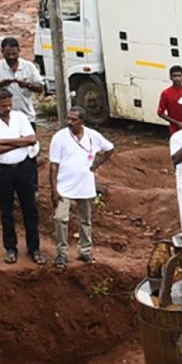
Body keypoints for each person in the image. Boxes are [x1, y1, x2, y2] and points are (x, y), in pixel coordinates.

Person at [45, 108, 114, 266]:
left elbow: (110, 148)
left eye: (74, 119)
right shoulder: (60, 137)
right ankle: (62, 253)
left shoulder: (93, 136)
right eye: (68, 118)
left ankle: (85, 251)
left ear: (82, 121)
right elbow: (53, 166)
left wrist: (96, 164)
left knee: (85, 220)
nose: (70, 122)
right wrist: (53, 190)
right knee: (61, 218)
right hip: (64, 186)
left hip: (85, 185)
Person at [0, 90, 42, 264]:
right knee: (7, 210)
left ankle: (34, 248)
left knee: (30, 208)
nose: (7, 108)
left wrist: (4, 142)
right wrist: (18, 142)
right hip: (3, 170)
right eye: (3, 106)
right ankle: (10, 248)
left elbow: (31, 139)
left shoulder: (20, 117)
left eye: (9, 104)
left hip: (24, 167)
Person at [0, 35, 49, 123]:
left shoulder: (28, 66)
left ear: (19, 51)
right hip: (2, 119)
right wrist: (0, 85)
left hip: (26, 117)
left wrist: (27, 85)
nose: (11, 57)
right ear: (2, 52)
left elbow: (40, 88)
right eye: (8, 54)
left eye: (14, 54)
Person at [157, 65, 182, 133]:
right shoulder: (166, 93)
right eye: (174, 76)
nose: (177, 78)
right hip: (175, 129)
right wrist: (176, 123)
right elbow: (160, 113)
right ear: (170, 77)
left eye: (179, 76)